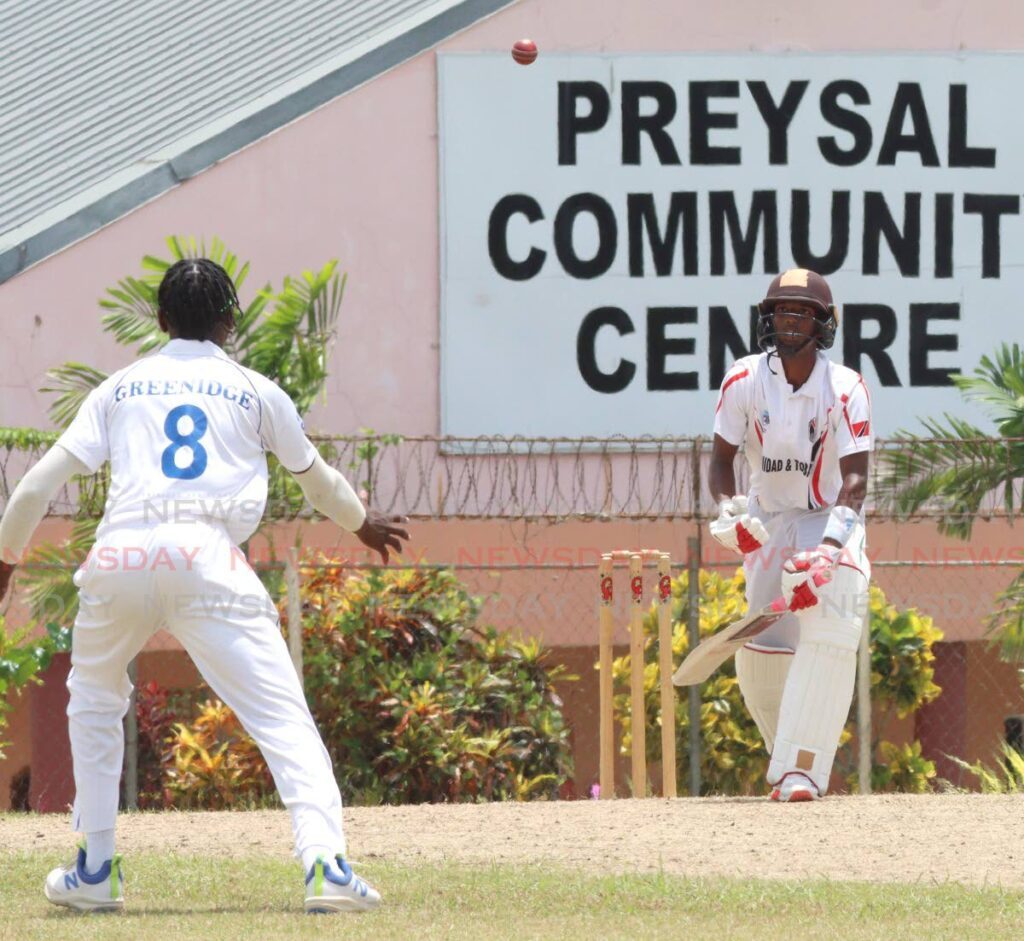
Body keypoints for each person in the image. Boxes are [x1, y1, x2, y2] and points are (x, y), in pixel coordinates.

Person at [0, 258, 409, 912]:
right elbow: (319, 481)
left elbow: (33, 487)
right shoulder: (256, 390)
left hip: (122, 553)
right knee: (281, 715)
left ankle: (96, 866)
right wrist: (361, 523)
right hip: (207, 555)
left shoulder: (120, 388)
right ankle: (327, 865)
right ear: (230, 321)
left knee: (94, 695)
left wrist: (5, 562)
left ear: (160, 321)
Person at [707, 267, 871, 803]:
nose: (790, 320)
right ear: (768, 318)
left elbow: (855, 479)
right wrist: (730, 513)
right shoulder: (743, 379)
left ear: (824, 324)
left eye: (802, 312)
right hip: (768, 521)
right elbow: (721, 461)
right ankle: (787, 762)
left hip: (826, 515)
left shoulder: (844, 387)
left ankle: (804, 768)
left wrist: (828, 551)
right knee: (764, 641)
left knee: (832, 607)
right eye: (782, 310)